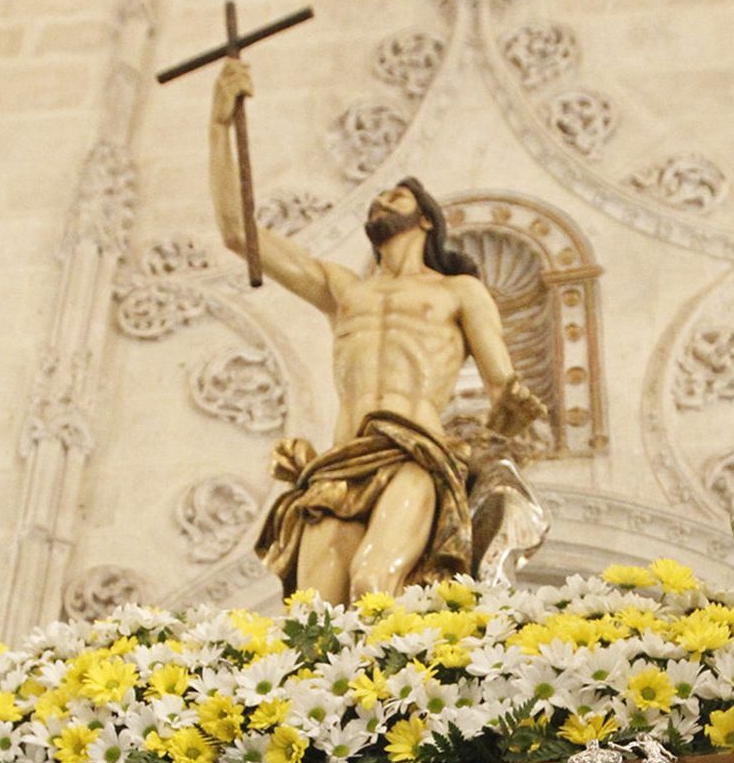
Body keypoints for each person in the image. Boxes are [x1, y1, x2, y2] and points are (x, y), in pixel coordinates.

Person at [208, 57, 544, 601]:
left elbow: (503, 383)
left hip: (417, 453)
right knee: (313, 614)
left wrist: (511, 409)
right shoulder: (345, 291)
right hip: (344, 457)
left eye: (398, 195)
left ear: (427, 219)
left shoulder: (459, 292)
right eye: (380, 196)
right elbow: (236, 232)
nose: (383, 198)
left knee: (373, 581)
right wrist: (220, 125)